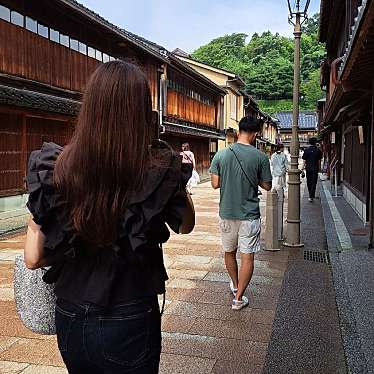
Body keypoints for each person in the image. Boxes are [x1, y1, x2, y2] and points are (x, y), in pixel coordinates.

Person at [24, 61, 195, 374]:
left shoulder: (57, 168)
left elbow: (33, 259)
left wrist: (40, 218)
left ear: (90, 108)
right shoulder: (158, 169)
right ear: (142, 112)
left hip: (71, 315)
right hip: (129, 314)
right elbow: (185, 225)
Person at [209, 116, 272, 311]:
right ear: (255, 134)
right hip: (249, 216)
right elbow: (268, 186)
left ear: (239, 131)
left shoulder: (221, 155)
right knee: (247, 257)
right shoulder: (260, 157)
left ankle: (235, 284)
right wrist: (255, 180)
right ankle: (238, 298)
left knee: (229, 252)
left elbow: (214, 184)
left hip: (227, 213)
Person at [270, 144, 288, 240]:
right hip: (281, 175)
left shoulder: (273, 155)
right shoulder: (283, 156)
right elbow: (286, 166)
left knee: (275, 188)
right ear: (281, 148)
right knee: (280, 190)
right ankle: (280, 198)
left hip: (275, 175)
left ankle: (275, 196)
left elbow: (272, 165)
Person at [302, 137, 323, 202]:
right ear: (315, 142)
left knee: (309, 182)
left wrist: (302, 168)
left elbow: (304, 160)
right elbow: (319, 160)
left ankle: (310, 195)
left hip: (308, 168)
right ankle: (311, 196)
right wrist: (319, 168)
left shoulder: (306, 150)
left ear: (309, 142)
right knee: (314, 182)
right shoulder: (318, 150)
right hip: (315, 168)